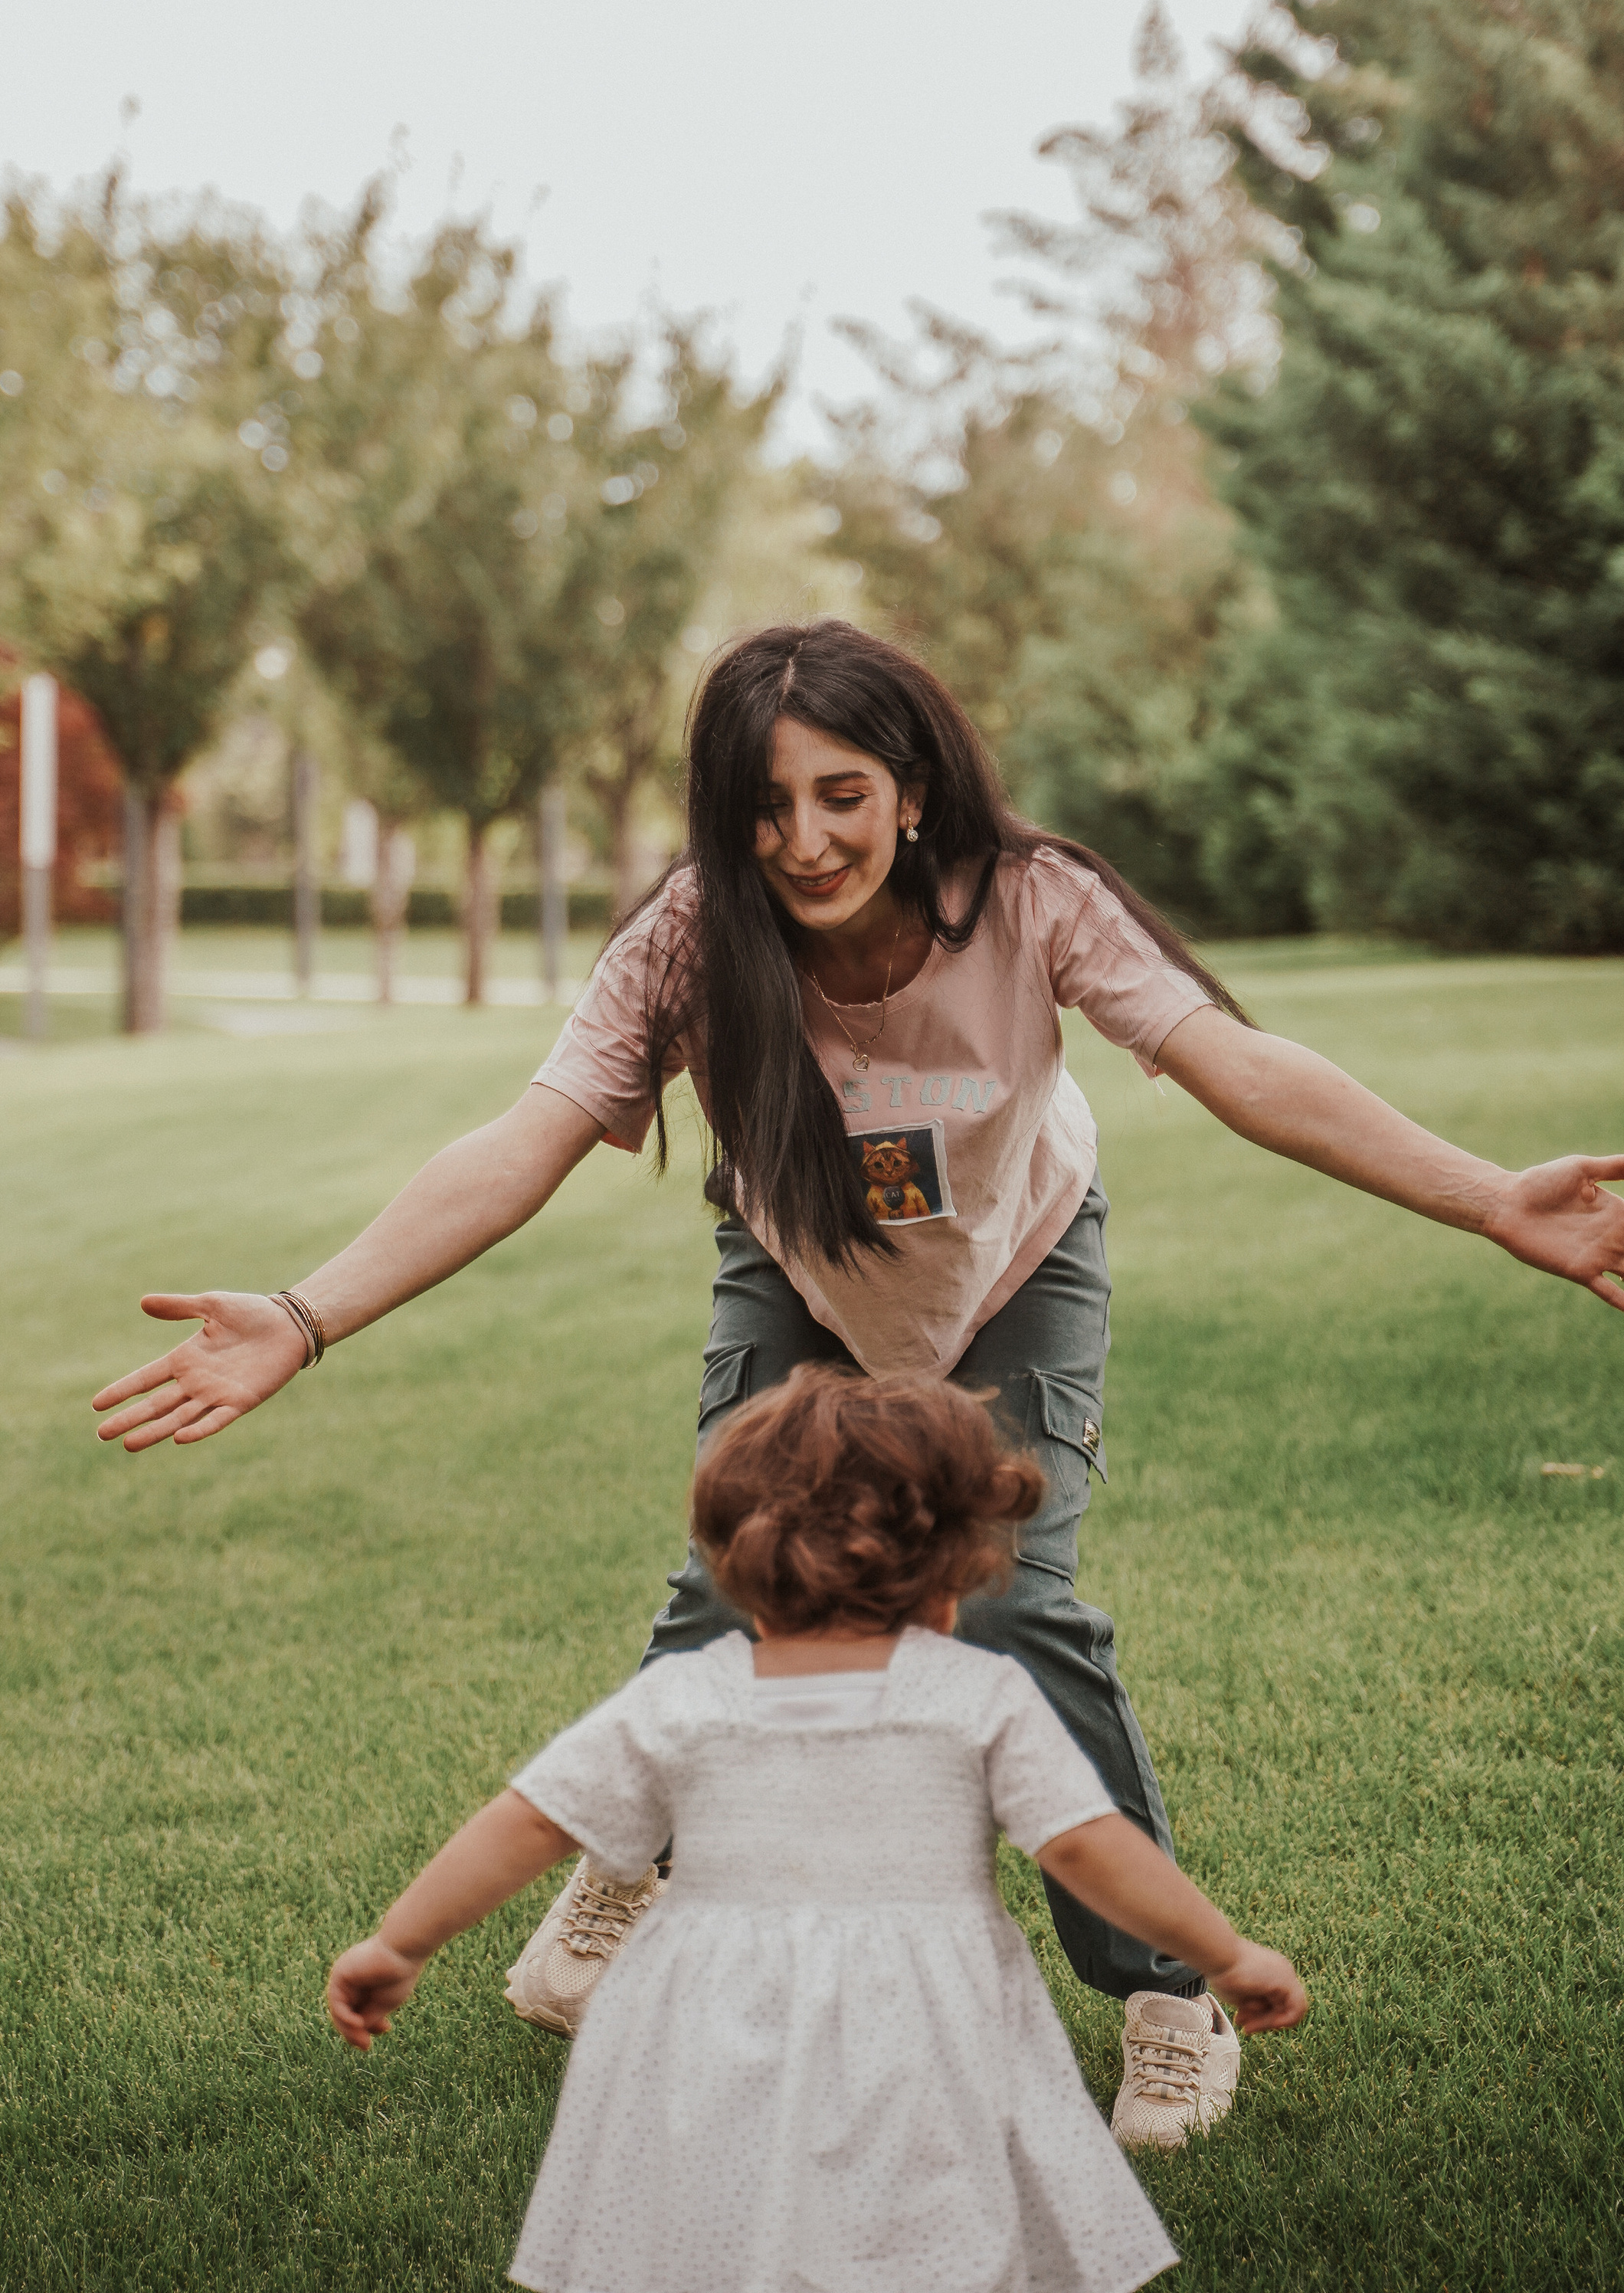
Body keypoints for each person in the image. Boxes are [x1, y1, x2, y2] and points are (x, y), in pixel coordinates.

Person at [93, 618, 1624, 2141]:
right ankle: (634, 1860)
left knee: (1011, 1607)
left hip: (1012, 1265)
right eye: (761, 806)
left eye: (837, 794)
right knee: (735, 1588)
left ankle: (1165, 1997)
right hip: (802, 1263)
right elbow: (523, 1144)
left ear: (907, 784)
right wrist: (304, 1315)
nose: (803, 840)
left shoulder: (1028, 904)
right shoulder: (691, 939)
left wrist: (1482, 1193)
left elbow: (1235, 1064)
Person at [326, 1369, 1308, 2293]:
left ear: (732, 1557)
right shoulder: (978, 1700)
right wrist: (1221, 1953)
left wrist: (399, 1942)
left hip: (709, 2022)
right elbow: (1088, 1848)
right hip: (920, 2018)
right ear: (955, 1571)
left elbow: (532, 1821)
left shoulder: (682, 1699)